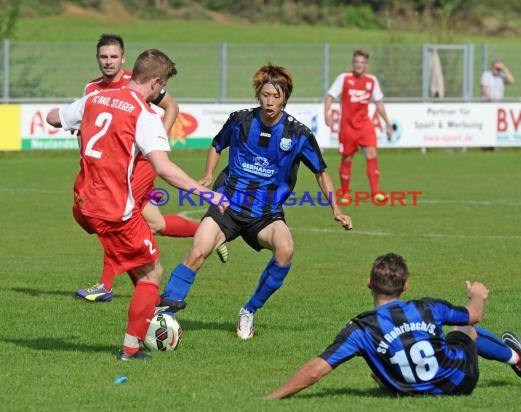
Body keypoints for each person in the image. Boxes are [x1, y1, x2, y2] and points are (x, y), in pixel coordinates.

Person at [47, 49, 227, 360]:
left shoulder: (95, 98)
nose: (161, 92)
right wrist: (207, 193)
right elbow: (164, 168)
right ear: (155, 81)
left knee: (143, 251)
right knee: (152, 275)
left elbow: (53, 118)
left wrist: (78, 125)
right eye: (162, 85)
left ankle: (136, 306)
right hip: (114, 209)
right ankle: (131, 348)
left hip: (83, 203)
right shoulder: (143, 114)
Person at [156, 62, 353, 340]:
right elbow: (216, 145)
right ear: (258, 94)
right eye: (265, 95)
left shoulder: (298, 134)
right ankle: (164, 314)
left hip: (265, 213)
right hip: (228, 205)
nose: (270, 102)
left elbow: (321, 172)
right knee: (198, 250)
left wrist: (336, 209)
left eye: (276, 96)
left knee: (285, 248)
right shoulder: (240, 121)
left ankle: (249, 310)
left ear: (285, 97)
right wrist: (208, 175)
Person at [75, 34, 228, 303]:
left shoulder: (137, 81)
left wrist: (156, 142)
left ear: (123, 58)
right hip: (109, 169)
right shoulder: (91, 89)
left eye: (113, 57)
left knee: (119, 215)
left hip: (142, 163)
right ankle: (212, 232)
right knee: (154, 223)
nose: (108, 62)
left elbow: (171, 106)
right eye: (103, 57)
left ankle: (108, 285)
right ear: (97, 58)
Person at [267, 252, 521, 398]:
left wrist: (273, 397)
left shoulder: (362, 328)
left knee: (384, 361)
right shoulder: (427, 308)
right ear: (405, 286)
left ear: (369, 284)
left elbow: (316, 370)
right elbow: (474, 315)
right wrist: (477, 294)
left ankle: (396, 378)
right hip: (460, 382)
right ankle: (515, 357)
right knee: (464, 330)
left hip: (406, 391)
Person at [324, 49, 393, 204]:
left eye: (362, 63)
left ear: (366, 64)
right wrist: (326, 113)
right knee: (347, 158)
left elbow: (379, 103)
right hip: (347, 127)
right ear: (353, 63)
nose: (359, 65)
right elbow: (330, 97)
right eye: (356, 62)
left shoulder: (372, 81)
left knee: (371, 152)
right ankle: (346, 194)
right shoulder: (344, 78)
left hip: (365, 125)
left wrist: (387, 124)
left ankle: (376, 193)